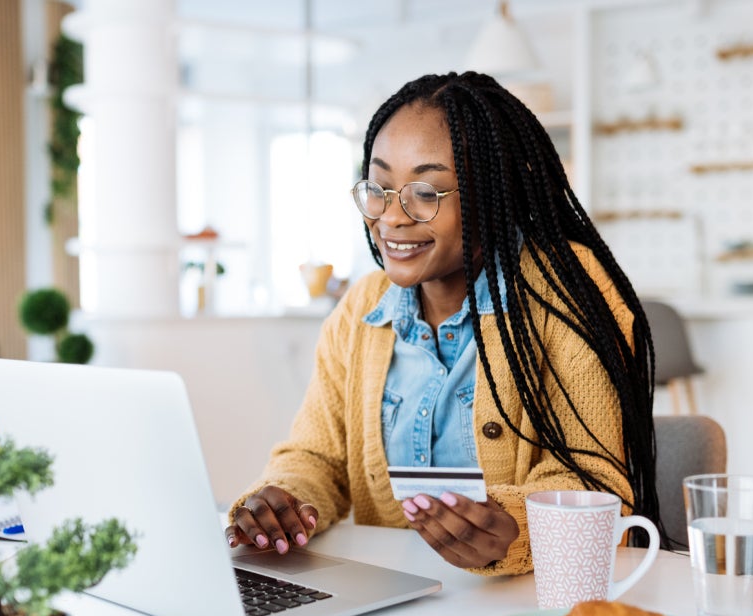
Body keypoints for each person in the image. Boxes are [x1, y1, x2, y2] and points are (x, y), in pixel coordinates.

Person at [224, 72, 659, 576]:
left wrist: (514, 527)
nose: (391, 217)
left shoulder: (566, 291)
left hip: (533, 604)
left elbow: (593, 480)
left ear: (492, 195)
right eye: (380, 188)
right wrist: (286, 501)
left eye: (425, 193)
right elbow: (317, 457)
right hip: (392, 608)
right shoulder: (362, 308)